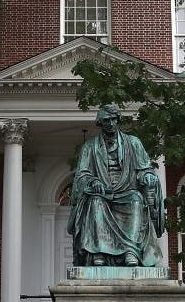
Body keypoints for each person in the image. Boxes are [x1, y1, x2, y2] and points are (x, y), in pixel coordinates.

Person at [67, 104, 165, 267]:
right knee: (96, 202)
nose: (111, 123)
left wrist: (148, 176)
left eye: (113, 119)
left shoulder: (133, 143)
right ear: (100, 123)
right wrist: (93, 181)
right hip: (102, 193)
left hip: (127, 191)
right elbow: (82, 175)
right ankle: (98, 251)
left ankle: (130, 251)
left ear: (117, 120)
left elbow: (144, 169)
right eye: (106, 120)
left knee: (136, 199)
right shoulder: (89, 147)